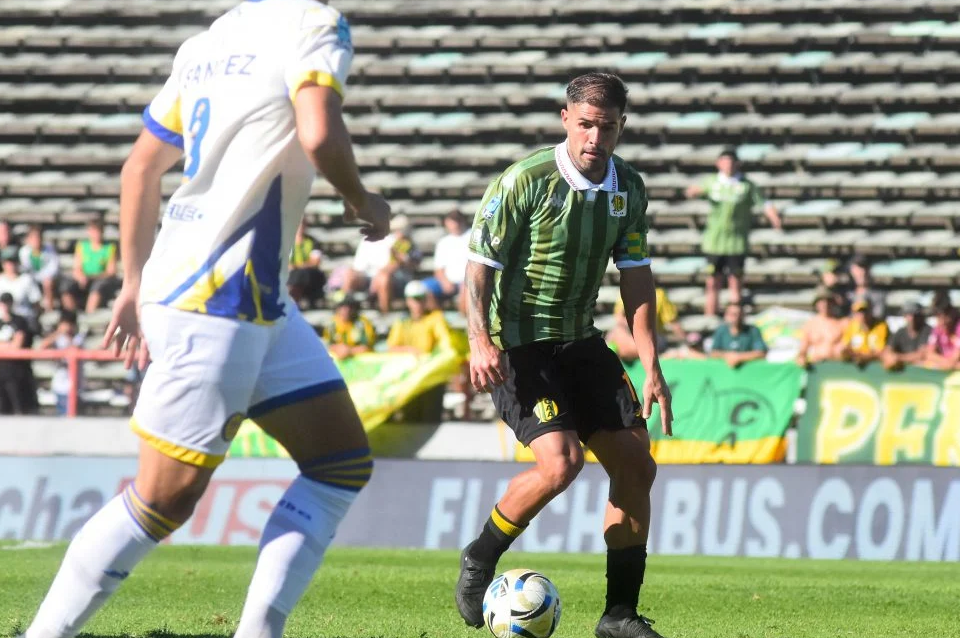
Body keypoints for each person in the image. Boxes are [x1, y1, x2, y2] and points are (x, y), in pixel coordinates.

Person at [19, 4, 391, 638]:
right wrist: (363, 200)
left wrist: (132, 282)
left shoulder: (210, 41)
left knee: (339, 461)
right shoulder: (313, 24)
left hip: (246, 299)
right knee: (162, 500)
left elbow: (140, 167)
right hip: (218, 297)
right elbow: (318, 132)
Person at [457, 72, 673, 638]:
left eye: (607, 127)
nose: (595, 138)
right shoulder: (525, 181)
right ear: (565, 120)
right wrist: (479, 341)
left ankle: (619, 615)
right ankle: (480, 557)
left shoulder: (629, 187)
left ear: (622, 126)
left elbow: (637, 279)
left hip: (581, 341)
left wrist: (651, 363)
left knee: (637, 464)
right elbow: (478, 268)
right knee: (561, 463)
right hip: (519, 345)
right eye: (585, 125)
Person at [685, 149, 781, 317]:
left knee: (735, 282)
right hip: (714, 242)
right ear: (718, 163)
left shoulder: (746, 185)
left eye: (731, 162)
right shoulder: (712, 182)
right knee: (712, 282)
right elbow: (694, 190)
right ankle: (710, 318)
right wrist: (692, 192)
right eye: (724, 161)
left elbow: (764, 203)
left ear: (737, 164)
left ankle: (734, 318)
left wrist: (774, 218)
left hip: (736, 243)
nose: (728, 165)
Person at [342, 214, 420, 314]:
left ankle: (384, 313)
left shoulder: (397, 241)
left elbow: (397, 264)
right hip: (369, 278)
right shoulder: (366, 240)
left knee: (383, 279)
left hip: (391, 279)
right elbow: (358, 267)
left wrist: (379, 276)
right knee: (349, 274)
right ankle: (344, 308)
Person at [62, 218, 121, 314]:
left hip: (100, 279)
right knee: (66, 287)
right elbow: (77, 268)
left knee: (97, 287)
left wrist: (91, 277)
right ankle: (71, 315)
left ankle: (89, 315)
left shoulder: (110, 248)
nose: (95, 234)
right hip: (84, 279)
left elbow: (111, 272)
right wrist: (81, 277)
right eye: (93, 231)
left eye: (97, 231)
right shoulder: (82, 246)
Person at [607, 291, 685, 358]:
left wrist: (684, 340)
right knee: (617, 332)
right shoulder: (626, 291)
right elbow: (620, 319)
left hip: (653, 336)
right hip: (632, 336)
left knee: (619, 336)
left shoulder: (659, 294)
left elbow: (673, 321)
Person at [386, 280, 454, 355]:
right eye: (415, 299)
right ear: (408, 301)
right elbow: (392, 348)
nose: (418, 303)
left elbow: (445, 342)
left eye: (421, 299)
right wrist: (410, 350)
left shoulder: (436, 319)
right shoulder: (401, 322)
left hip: (430, 360)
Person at [423, 209, 470, 314]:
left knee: (466, 289)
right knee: (423, 289)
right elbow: (438, 269)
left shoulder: (473, 237)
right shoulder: (443, 242)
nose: (455, 224)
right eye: (452, 221)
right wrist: (444, 281)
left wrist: (466, 281)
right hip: (448, 281)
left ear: (463, 221)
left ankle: (464, 320)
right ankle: (439, 319)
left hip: (467, 281)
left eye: (457, 220)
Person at [39, 310, 86, 415]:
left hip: (76, 387)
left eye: (69, 324)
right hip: (60, 386)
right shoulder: (58, 338)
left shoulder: (79, 338)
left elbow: (74, 350)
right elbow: (42, 346)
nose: (67, 327)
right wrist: (59, 332)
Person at [0, 292, 38, 415]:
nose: (5, 306)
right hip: (1, 369)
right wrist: (8, 345)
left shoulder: (19, 321)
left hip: (15, 371)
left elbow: (17, 345)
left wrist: (5, 346)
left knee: (19, 406)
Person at [796, 286, 846, 367]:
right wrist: (801, 357)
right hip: (817, 366)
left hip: (839, 365)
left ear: (833, 303)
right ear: (816, 304)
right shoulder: (810, 325)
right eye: (822, 302)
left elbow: (850, 346)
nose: (825, 304)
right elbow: (803, 348)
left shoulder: (842, 323)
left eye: (828, 301)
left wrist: (845, 350)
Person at [709, 302, 767, 368]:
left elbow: (761, 353)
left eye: (738, 314)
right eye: (731, 314)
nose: (735, 317)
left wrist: (739, 357)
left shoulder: (752, 330)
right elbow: (713, 353)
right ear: (725, 315)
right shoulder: (721, 330)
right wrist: (727, 356)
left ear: (743, 316)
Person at [19, 224, 61, 313]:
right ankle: (35, 309)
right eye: (34, 238)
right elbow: (26, 269)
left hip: (45, 279)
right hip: (31, 278)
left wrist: (44, 277)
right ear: (29, 239)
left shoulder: (49, 249)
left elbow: (54, 267)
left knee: (48, 283)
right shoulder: (24, 251)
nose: (36, 240)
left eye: (38, 237)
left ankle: (49, 309)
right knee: (27, 281)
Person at [287, 218, 327, 307]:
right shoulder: (286, 241)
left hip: (309, 275)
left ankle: (293, 301)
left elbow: (315, 262)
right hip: (292, 274)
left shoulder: (313, 241)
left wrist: (297, 266)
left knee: (299, 275)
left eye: (301, 225)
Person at [881, 301, 931, 371]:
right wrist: (890, 357)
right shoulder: (900, 332)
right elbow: (887, 350)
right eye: (909, 314)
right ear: (904, 316)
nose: (912, 318)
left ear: (922, 316)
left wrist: (899, 358)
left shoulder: (928, 330)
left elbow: (923, 354)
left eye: (916, 315)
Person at [840, 295, 888, 365]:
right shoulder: (852, 327)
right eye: (859, 312)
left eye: (865, 311)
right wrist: (847, 352)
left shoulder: (881, 326)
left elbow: (880, 351)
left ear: (871, 310)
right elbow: (845, 347)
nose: (862, 315)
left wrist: (862, 356)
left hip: (875, 365)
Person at [0, 247, 42, 324]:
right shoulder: (1, 280)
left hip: (24, 320)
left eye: (14, 261)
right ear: (3, 264)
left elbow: (36, 302)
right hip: (3, 322)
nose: (11, 265)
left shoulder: (26, 279)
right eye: (8, 262)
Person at [846, 253, 886, 319]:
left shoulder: (877, 294)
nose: (863, 272)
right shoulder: (847, 293)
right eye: (858, 268)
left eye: (865, 268)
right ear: (852, 270)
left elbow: (878, 316)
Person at [925, 296, 960, 370]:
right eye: (939, 317)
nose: (943, 321)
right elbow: (929, 354)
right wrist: (944, 362)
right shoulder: (937, 329)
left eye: (946, 316)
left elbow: (955, 358)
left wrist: (941, 362)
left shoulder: (958, 328)